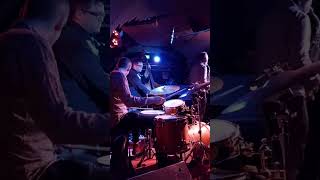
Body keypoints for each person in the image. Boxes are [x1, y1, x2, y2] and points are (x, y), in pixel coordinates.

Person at [0, 0, 124, 179]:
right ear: (59, 25)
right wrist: (114, 122)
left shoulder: (5, 39)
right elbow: (59, 124)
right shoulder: (34, 45)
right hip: (32, 169)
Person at [255, 0, 319, 179]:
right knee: (296, 155)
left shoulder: (269, 15)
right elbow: (300, 61)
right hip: (292, 95)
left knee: (275, 155)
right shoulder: (300, 18)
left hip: (268, 92)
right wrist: (315, 79)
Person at [110, 57, 165, 176]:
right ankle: (163, 160)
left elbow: (120, 100)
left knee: (136, 115)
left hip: (118, 115)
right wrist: (153, 99)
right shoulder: (120, 75)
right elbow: (129, 100)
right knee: (156, 120)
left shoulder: (112, 74)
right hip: (120, 118)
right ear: (129, 68)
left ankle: (127, 170)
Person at [53, 0, 109, 114]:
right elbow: (98, 82)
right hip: (80, 113)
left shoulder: (78, 37)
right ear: (79, 14)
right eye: (97, 14)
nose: (101, 19)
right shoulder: (75, 40)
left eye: (104, 15)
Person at [189, 51, 210, 121]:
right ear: (204, 58)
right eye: (207, 57)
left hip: (193, 93)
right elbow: (203, 82)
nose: (208, 58)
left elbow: (193, 82)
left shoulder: (194, 66)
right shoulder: (203, 66)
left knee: (195, 114)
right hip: (200, 93)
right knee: (201, 114)